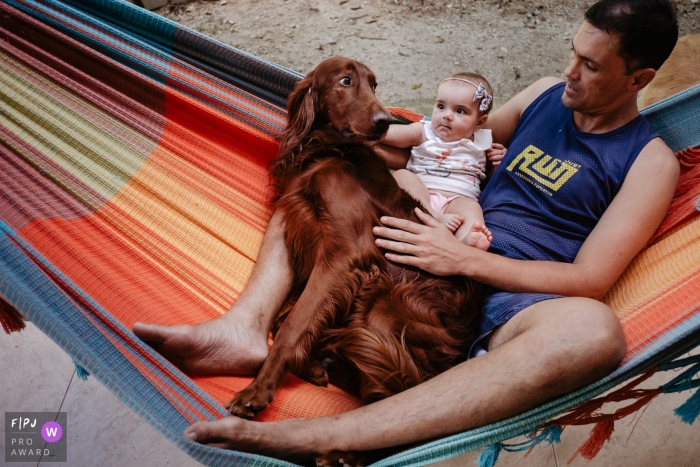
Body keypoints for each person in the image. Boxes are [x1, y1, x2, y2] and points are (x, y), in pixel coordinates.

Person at [131, 0, 680, 461]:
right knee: (328, 171)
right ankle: (243, 328)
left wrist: (464, 260)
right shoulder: (544, 96)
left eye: (590, 65)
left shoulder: (648, 162)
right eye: (573, 54)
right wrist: (395, 166)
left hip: (514, 299)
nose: (570, 72)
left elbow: (590, 278)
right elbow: (446, 137)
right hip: (431, 244)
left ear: (639, 78)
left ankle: (327, 435)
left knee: (595, 332)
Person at [379, 72, 506, 250]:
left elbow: (489, 177)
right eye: (441, 106)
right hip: (422, 192)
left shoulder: (484, 143)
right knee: (402, 176)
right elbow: (386, 135)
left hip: (459, 199)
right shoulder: (424, 131)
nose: (447, 115)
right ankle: (432, 215)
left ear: (479, 122)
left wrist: (500, 160)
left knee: (472, 210)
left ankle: (466, 242)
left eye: (460, 111)